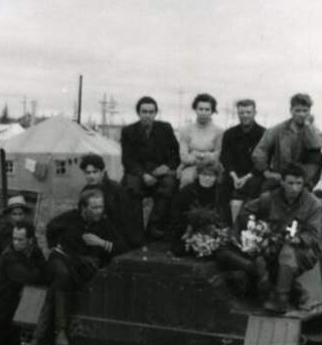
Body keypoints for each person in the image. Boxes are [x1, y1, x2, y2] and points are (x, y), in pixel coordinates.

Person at [34, 188, 128, 345]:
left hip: (82, 266)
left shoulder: (104, 223)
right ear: (83, 208)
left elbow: (123, 248)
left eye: (101, 207)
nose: (99, 211)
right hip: (61, 258)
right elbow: (51, 227)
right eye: (95, 207)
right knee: (62, 275)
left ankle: (39, 338)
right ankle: (61, 331)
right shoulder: (70, 218)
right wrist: (53, 246)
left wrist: (101, 243)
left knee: (58, 286)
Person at [233, 162, 322, 313]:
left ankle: (281, 298)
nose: (295, 188)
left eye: (299, 183)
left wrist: (298, 239)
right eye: (290, 183)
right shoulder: (269, 198)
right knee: (258, 260)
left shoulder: (313, 204)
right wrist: (258, 227)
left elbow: (313, 235)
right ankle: (292, 292)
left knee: (287, 253)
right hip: (273, 244)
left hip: (303, 251)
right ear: (282, 182)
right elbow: (245, 213)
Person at [120, 96, 180, 239]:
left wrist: (166, 167)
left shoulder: (165, 128)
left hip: (160, 173)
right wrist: (143, 175)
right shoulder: (128, 131)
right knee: (131, 187)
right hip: (138, 173)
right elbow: (127, 160)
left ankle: (155, 227)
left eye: (151, 112)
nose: (148, 115)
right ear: (138, 113)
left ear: (155, 113)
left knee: (169, 185)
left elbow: (175, 154)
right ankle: (136, 231)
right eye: (144, 112)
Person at [252, 93, 322, 191]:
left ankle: (305, 188)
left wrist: (308, 126)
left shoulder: (313, 130)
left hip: (303, 178)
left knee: (317, 154)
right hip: (281, 175)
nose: (301, 114)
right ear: (291, 110)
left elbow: (317, 147)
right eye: (298, 110)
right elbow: (260, 151)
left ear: (309, 111)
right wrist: (266, 171)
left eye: (305, 111)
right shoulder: (277, 130)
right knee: (265, 194)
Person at [80, 153, 144, 248]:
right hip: (93, 235)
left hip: (116, 238)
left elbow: (126, 221)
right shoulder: (85, 191)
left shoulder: (116, 190)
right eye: (87, 173)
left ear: (102, 172)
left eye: (95, 172)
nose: (91, 176)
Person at [219, 99, 266, 221]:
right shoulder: (229, 133)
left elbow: (263, 160)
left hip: (253, 174)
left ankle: (248, 223)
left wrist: (246, 177)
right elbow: (225, 157)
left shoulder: (263, 134)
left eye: (248, 112)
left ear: (255, 113)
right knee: (222, 186)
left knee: (255, 187)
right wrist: (234, 176)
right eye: (241, 113)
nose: (245, 115)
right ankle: (224, 224)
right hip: (233, 174)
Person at [170, 160, 228, 256]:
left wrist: (215, 229)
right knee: (180, 250)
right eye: (204, 175)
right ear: (198, 175)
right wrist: (189, 228)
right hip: (188, 230)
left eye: (211, 176)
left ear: (216, 177)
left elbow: (224, 214)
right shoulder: (187, 191)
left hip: (212, 230)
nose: (207, 178)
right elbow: (176, 214)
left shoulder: (220, 192)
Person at [0, 195, 33, 299]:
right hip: (2, 283)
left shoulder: (29, 232)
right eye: (14, 214)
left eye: (20, 214)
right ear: (8, 215)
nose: (17, 217)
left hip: (22, 285)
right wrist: (9, 264)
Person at [177, 93, 224, 188]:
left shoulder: (219, 131)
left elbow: (218, 154)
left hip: (211, 166)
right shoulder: (185, 130)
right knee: (187, 179)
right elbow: (184, 156)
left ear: (212, 111)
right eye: (200, 109)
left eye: (207, 109)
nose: (203, 112)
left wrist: (197, 154)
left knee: (218, 180)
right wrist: (207, 155)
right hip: (191, 166)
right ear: (195, 109)